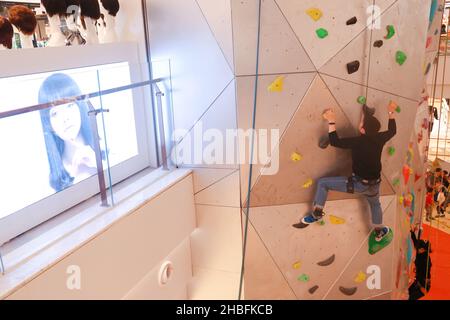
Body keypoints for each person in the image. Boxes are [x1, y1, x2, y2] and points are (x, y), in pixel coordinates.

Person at [293, 102, 397, 242]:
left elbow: (335, 141)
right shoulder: (379, 138)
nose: (359, 124)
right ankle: (379, 231)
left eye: (361, 123)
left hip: (359, 184)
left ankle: (317, 213)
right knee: (375, 204)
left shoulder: (357, 142)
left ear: (363, 130)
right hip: (375, 184)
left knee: (323, 183)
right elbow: (392, 131)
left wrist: (331, 120)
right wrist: (391, 113)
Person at [39, 73, 98, 192]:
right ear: (48, 124)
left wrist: (99, 166)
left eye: (69, 105)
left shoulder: (108, 151)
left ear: (80, 107)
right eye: (55, 113)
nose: (65, 118)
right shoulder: (54, 182)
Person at [408, 224, 432, 300]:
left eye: (419, 247)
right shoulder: (420, 252)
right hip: (418, 282)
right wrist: (412, 231)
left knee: (408, 298)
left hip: (422, 286)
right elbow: (415, 242)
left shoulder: (426, 262)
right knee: (405, 294)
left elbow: (425, 276)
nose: (417, 248)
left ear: (423, 250)